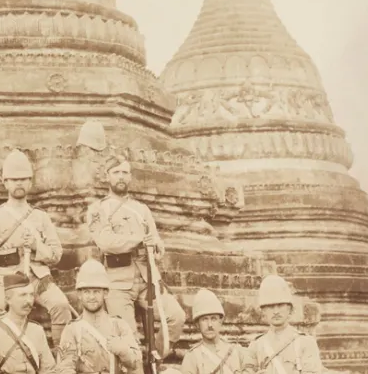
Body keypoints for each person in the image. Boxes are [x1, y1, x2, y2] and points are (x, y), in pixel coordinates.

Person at [0, 149, 72, 348]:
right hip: (5, 278)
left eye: (23, 179)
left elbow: (56, 254)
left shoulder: (40, 217)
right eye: (14, 179)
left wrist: (36, 246)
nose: (19, 183)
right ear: (5, 182)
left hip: (37, 278)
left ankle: (61, 359)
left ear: (30, 182)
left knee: (61, 305)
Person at [85, 154, 186, 359]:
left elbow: (156, 242)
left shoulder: (142, 210)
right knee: (128, 338)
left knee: (176, 317)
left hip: (148, 279)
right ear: (107, 177)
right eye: (116, 173)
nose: (120, 177)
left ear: (130, 177)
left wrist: (157, 247)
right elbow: (106, 243)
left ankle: (153, 359)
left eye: (124, 172)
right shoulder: (97, 210)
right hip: (117, 282)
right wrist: (139, 239)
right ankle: (137, 363)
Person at [56, 259, 143, 374]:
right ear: (79, 295)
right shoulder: (73, 330)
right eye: (87, 292)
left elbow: (136, 366)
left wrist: (124, 351)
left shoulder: (119, 326)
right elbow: (65, 368)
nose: (91, 297)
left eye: (96, 291)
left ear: (105, 293)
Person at [0, 273, 57, 374]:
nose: (28, 301)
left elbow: (49, 370)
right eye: (22, 295)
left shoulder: (37, 330)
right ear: (7, 299)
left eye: (31, 295)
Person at [247, 275, 324, 374]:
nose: (276, 311)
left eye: (280, 305)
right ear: (263, 311)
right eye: (270, 307)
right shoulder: (256, 346)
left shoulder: (306, 343)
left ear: (289, 309)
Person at [180, 289, 255, 374]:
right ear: (197, 324)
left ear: (220, 321)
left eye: (213, 319)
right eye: (204, 319)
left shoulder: (237, 351)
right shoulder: (192, 357)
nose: (210, 325)